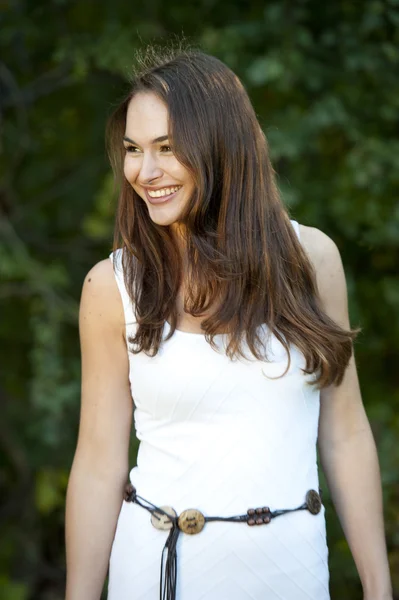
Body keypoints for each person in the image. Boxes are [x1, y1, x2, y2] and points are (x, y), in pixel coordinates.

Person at [65, 48, 393, 600]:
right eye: (133, 150)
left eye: (167, 149)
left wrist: (380, 588)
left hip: (292, 570)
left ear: (221, 146)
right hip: (158, 572)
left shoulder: (312, 261)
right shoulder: (111, 285)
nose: (145, 173)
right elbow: (99, 461)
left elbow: (346, 432)